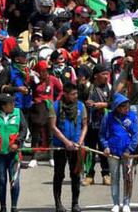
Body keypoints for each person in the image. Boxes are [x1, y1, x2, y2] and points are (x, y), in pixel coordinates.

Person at [49, 82, 88, 212]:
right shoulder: (55, 106)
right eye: (73, 94)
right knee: (59, 175)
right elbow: (53, 127)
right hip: (60, 146)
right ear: (65, 94)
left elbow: (84, 126)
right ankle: (58, 204)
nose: (76, 96)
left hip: (76, 147)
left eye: (76, 93)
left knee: (75, 175)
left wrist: (80, 142)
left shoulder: (81, 106)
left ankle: (75, 203)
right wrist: (66, 142)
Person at [101, 93, 138, 212]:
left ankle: (127, 202)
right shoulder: (108, 117)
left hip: (128, 154)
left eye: (127, 106)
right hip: (112, 153)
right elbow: (102, 134)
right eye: (123, 106)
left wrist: (129, 150)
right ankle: (116, 203)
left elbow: (136, 135)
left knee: (128, 178)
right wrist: (105, 146)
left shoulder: (133, 116)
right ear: (117, 106)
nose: (126, 108)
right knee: (115, 178)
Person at [0, 93, 27, 212]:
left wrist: (18, 142)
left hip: (14, 154)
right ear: (3, 106)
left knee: (14, 181)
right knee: (2, 181)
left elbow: (23, 129)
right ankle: (3, 207)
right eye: (10, 103)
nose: (13, 105)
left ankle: (14, 207)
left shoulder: (18, 112)